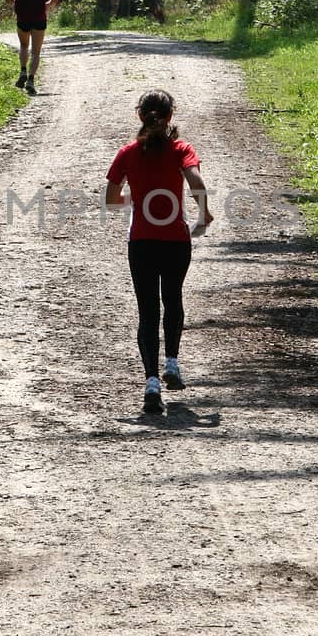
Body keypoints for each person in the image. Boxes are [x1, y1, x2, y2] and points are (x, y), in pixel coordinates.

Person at [104, 89, 214, 417]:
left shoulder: (126, 153)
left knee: (148, 312)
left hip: (141, 241)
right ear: (171, 116)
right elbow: (195, 181)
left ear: (140, 115)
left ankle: (151, 383)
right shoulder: (181, 149)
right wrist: (204, 213)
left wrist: (136, 199)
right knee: (174, 300)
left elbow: (111, 200)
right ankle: (173, 364)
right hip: (176, 240)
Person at [5, 0, 57, 95]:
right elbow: (54, 0)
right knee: (36, 51)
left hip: (23, 17)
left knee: (23, 46)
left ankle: (23, 71)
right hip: (39, 17)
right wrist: (46, 6)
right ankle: (31, 80)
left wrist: (18, 2)